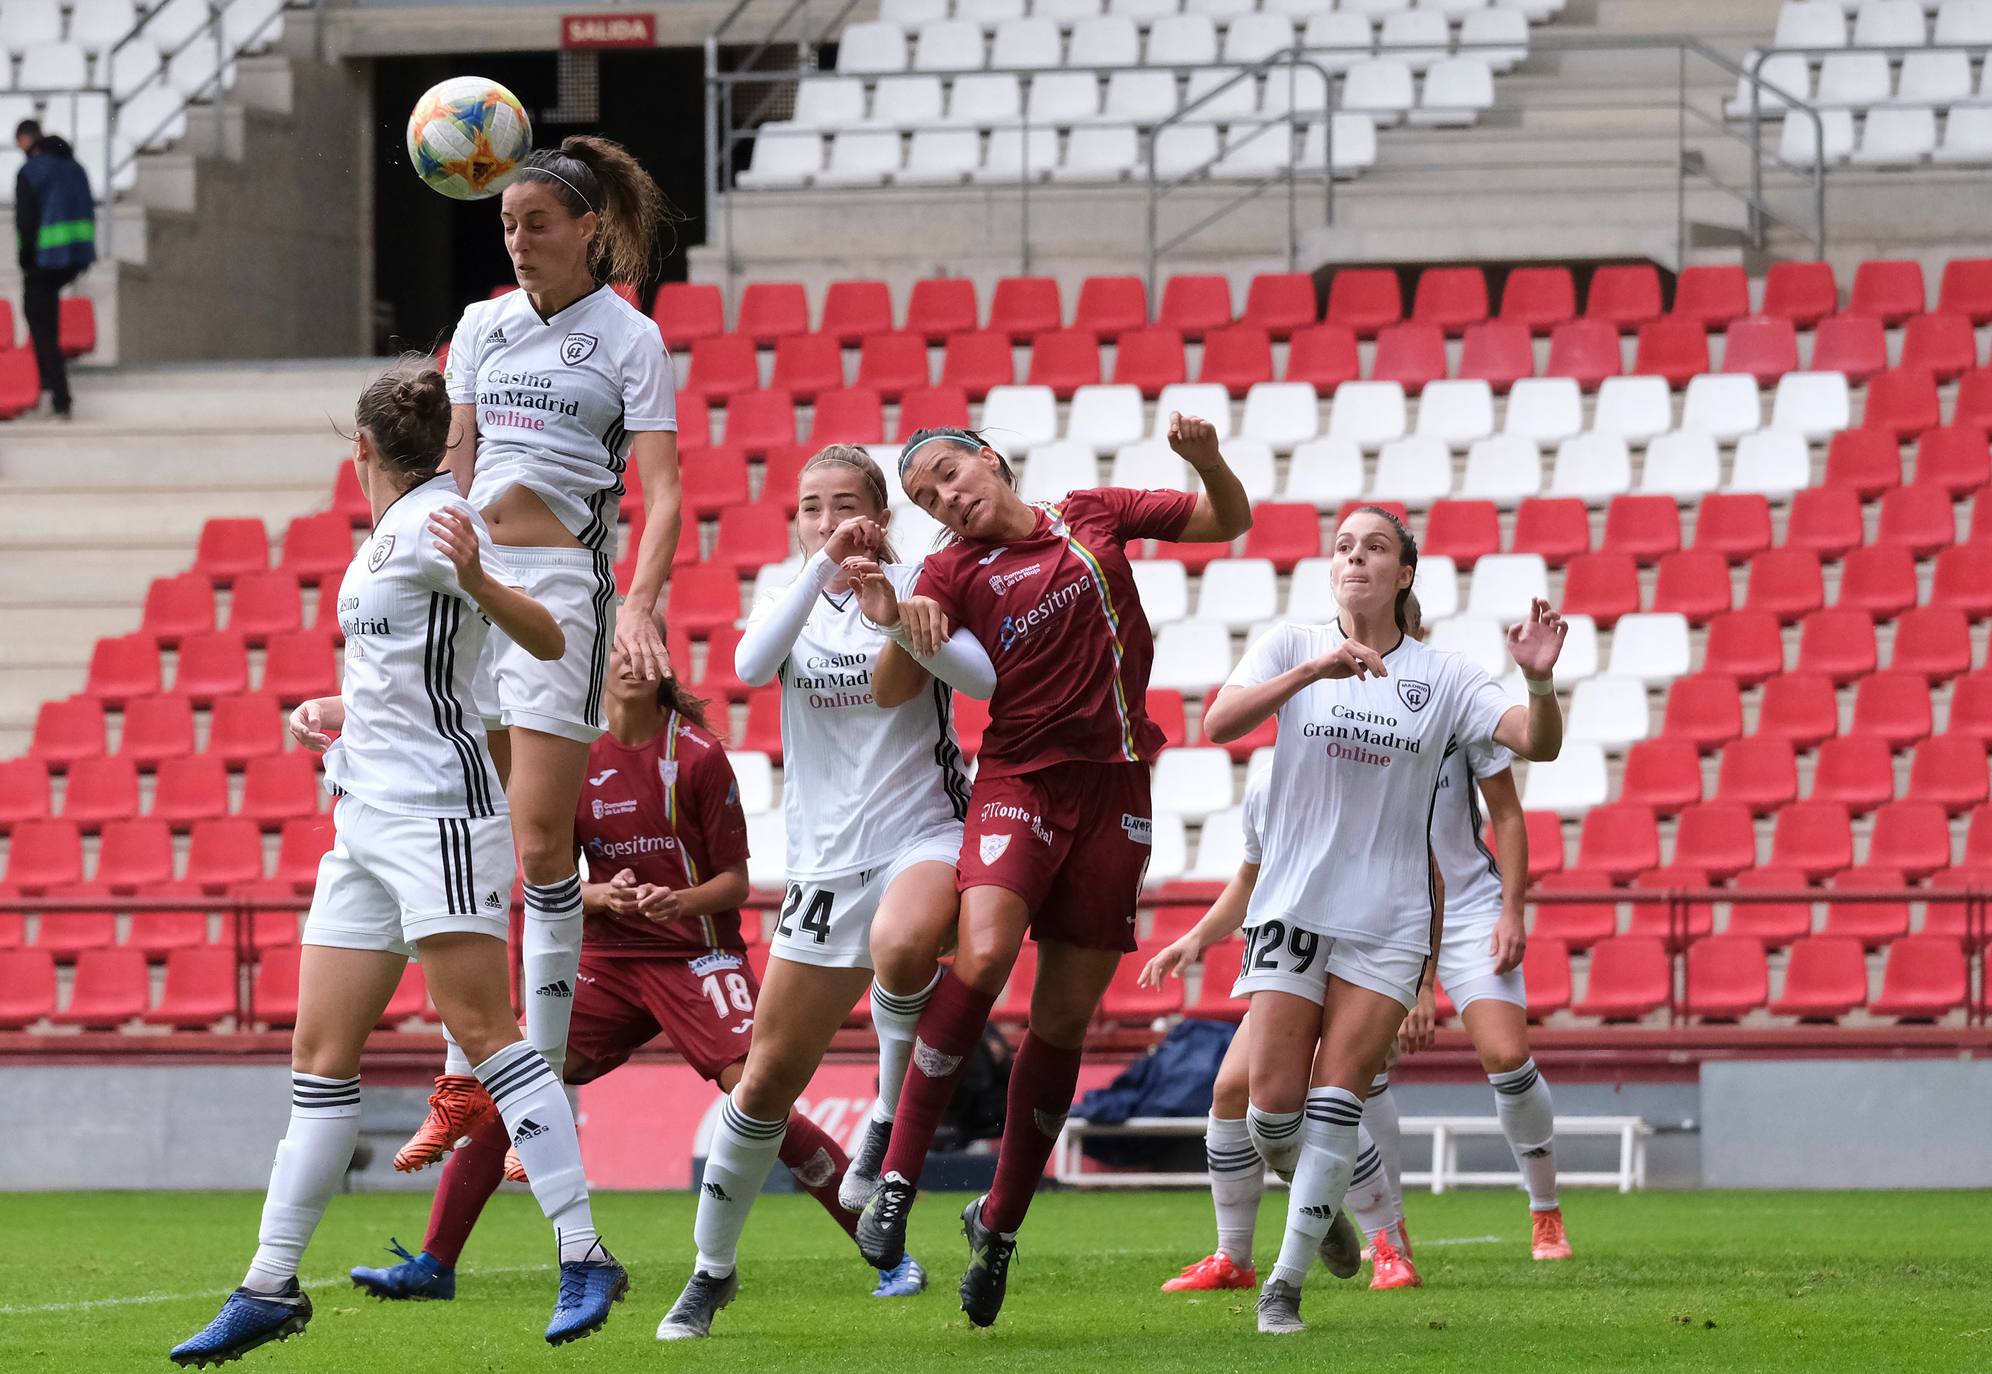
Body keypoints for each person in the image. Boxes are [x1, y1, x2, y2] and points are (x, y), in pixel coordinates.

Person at [168, 363, 624, 1368]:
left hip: (438, 819)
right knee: (319, 1055)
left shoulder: (435, 524)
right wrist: (339, 722)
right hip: (365, 815)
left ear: (361, 449)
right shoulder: (391, 536)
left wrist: (481, 578)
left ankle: (584, 1251)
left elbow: (546, 638)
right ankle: (270, 1285)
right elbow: (415, 676)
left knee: (487, 1036)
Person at [350, 643, 919, 1307]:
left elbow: (734, 884)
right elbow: (550, 877)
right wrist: (601, 897)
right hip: (610, 961)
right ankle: (434, 1263)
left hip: (696, 955)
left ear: (665, 670)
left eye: (648, 651)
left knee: (760, 1097)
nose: (631, 661)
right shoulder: (573, 757)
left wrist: (679, 901)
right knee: (513, 1082)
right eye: (617, 649)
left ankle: (889, 1254)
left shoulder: (700, 757)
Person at [847, 415, 1253, 1329]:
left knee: (1064, 1021)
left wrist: (1206, 461)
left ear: (988, 458)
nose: (946, 498)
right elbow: (889, 691)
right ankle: (898, 1181)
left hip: (1116, 791)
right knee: (983, 960)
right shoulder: (950, 571)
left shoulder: (1093, 513)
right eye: (926, 498)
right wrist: (896, 627)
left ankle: (997, 1225)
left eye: (950, 475)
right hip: (1020, 780)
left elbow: (1229, 522)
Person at [1201, 504, 1567, 1334]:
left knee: (1338, 1097)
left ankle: (1282, 1289)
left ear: (1404, 574)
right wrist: (1312, 674)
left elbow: (1534, 744)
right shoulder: (1290, 646)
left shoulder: (1443, 675)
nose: (1354, 558)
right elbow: (1219, 724)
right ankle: (1325, 1214)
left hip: (1391, 920)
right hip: (1293, 904)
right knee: (1270, 1114)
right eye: (1342, 547)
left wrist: (1539, 682)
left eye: (1374, 548)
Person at [655, 445, 993, 1340]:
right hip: (820, 861)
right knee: (764, 1083)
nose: (832, 518)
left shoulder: (923, 579)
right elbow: (752, 664)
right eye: (812, 506)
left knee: (908, 941)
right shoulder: (789, 588)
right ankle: (710, 1270)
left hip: (920, 831)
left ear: (884, 514)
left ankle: (882, 1127)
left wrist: (890, 607)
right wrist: (817, 567)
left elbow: (971, 681)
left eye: (849, 504)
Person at [401, 135, 684, 1165]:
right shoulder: (480, 327)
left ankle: (544, 1098)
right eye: (507, 225)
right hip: (466, 583)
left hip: (563, 587)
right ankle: (463, 1077)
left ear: (588, 231)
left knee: (536, 845)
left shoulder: (630, 338)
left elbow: (665, 493)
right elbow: (453, 461)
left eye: (536, 225)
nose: (518, 242)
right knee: (467, 831)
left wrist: (643, 603)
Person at [14, 118, 95, 420]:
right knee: (48, 319)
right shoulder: (76, 168)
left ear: (26, 140)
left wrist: (25, 260)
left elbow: (26, 222)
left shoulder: (31, 172)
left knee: (40, 322)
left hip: (44, 259)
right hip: (75, 257)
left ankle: (58, 395)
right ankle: (52, 386)